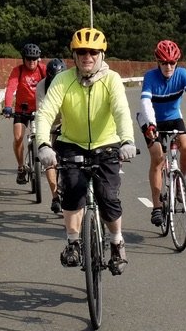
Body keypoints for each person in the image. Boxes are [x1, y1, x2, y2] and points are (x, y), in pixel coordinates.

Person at [34, 28, 136, 275]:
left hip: (107, 144)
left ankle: (116, 243)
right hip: (72, 143)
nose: (87, 57)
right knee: (71, 193)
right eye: (81, 52)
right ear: (74, 55)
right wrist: (43, 144)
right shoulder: (63, 80)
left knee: (108, 196)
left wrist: (127, 141)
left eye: (92, 52)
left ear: (101, 54)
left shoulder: (111, 79)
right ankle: (72, 242)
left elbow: (121, 111)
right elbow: (46, 113)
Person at [139, 39, 186, 227]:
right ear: (158, 62)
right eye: (164, 62)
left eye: (172, 63)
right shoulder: (150, 77)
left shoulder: (182, 74)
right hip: (150, 119)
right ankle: (156, 206)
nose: (168, 66)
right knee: (158, 158)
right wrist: (152, 125)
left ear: (177, 62)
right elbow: (145, 103)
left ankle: (178, 182)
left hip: (173, 117)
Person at [1, 43, 47, 185]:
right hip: (22, 109)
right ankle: (21, 167)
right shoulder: (18, 71)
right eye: (28, 59)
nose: (31, 62)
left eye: (34, 59)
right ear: (23, 59)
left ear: (38, 59)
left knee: (46, 136)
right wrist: (8, 106)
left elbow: (53, 84)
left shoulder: (43, 69)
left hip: (40, 109)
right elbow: (10, 89)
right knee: (18, 137)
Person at [34, 57, 67, 214]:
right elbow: (42, 112)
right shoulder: (41, 86)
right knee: (50, 159)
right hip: (49, 122)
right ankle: (55, 197)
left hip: (66, 122)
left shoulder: (68, 83)